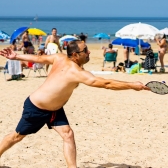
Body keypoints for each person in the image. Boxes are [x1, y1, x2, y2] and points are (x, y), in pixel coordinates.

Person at [0, 40, 150, 167]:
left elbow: (39, 58)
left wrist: (16, 55)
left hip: (55, 108)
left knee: (68, 134)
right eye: (86, 50)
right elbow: (107, 83)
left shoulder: (59, 58)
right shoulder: (76, 72)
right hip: (37, 108)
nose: (89, 52)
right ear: (75, 55)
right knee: (16, 137)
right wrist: (131, 85)